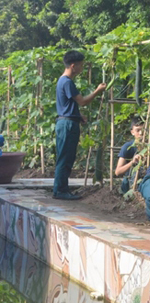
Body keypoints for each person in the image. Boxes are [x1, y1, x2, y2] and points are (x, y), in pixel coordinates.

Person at [54, 50, 106, 200]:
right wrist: (98, 91)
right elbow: (82, 101)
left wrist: (77, 116)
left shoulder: (62, 81)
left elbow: (67, 105)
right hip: (67, 125)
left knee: (65, 156)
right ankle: (60, 191)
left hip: (66, 121)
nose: (82, 68)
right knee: (65, 158)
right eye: (81, 65)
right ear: (73, 66)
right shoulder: (67, 82)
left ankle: (61, 190)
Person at [114, 116, 144, 194]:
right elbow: (117, 172)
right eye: (138, 130)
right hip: (130, 181)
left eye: (143, 130)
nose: (141, 133)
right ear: (132, 132)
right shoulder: (128, 147)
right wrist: (132, 162)